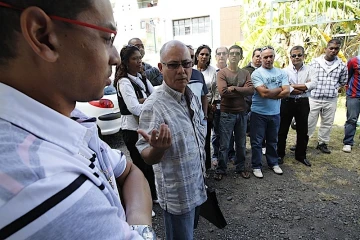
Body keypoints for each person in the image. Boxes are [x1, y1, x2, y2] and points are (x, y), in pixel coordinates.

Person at [0, 1, 155, 239]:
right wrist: (141, 227)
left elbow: (129, 171)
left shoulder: (70, 118)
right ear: (42, 35)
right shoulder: (45, 186)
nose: (115, 58)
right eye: (106, 38)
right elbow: (130, 176)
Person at [136, 40, 207, 240]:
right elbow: (146, 156)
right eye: (173, 65)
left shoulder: (191, 95)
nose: (182, 71)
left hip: (197, 184)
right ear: (161, 68)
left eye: (186, 64)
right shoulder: (154, 106)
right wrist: (158, 149)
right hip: (179, 196)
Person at [114, 45, 158, 207]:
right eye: (134, 59)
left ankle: (153, 196)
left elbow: (156, 98)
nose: (139, 61)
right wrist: (146, 101)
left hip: (145, 128)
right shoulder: (124, 82)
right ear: (125, 62)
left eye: (140, 58)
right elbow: (133, 108)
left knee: (150, 165)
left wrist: (143, 100)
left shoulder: (142, 78)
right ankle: (144, 202)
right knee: (141, 167)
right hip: (132, 130)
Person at [214, 45, 254, 181]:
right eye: (232, 53)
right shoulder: (222, 73)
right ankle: (221, 169)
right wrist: (241, 90)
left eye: (237, 54)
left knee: (241, 143)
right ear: (228, 56)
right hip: (227, 113)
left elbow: (251, 90)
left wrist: (234, 88)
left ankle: (241, 167)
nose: (234, 56)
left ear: (241, 57)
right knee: (224, 144)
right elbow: (223, 92)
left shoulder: (245, 73)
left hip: (242, 113)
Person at [250, 46, 290, 178]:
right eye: (265, 57)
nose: (268, 59)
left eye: (270, 56)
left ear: (274, 57)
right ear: (260, 58)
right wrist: (279, 88)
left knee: (273, 140)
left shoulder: (281, 72)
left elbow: (287, 92)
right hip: (258, 113)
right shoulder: (256, 74)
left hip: (275, 112)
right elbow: (263, 93)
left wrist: (271, 92)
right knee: (257, 141)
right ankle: (256, 166)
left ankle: (273, 163)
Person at [277, 46, 317, 167]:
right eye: (294, 55)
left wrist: (293, 86)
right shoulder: (284, 71)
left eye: (299, 55)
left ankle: (301, 156)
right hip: (287, 102)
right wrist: (301, 87)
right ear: (290, 57)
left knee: (303, 130)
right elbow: (284, 86)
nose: (296, 57)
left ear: (303, 56)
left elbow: (313, 84)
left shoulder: (311, 69)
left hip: (303, 102)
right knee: (282, 130)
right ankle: (279, 155)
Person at [308, 39, 348, 154]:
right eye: (331, 48)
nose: (333, 51)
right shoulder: (315, 62)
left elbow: (343, 81)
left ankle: (323, 143)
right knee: (309, 121)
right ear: (326, 48)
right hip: (314, 97)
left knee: (327, 122)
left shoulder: (341, 65)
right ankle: (303, 142)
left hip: (330, 99)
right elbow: (308, 76)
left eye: (336, 49)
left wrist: (333, 87)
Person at [211, 46, 237, 167]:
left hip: (229, 106)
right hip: (215, 106)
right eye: (219, 53)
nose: (221, 56)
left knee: (229, 132)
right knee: (216, 133)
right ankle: (216, 155)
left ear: (228, 56)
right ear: (216, 56)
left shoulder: (232, 71)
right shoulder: (211, 72)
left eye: (224, 53)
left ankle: (231, 154)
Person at [194, 44, 217, 171]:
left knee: (206, 137)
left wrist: (212, 105)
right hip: (192, 108)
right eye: (202, 54)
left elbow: (215, 90)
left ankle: (207, 166)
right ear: (197, 56)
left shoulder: (213, 71)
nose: (204, 57)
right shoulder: (190, 69)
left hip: (207, 108)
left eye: (207, 55)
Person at [242, 48, 265, 153]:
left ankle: (261, 145)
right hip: (247, 103)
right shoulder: (245, 70)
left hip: (261, 102)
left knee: (260, 126)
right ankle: (243, 147)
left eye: (261, 57)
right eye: (257, 56)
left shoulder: (266, 70)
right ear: (252, 57)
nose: (259, 59)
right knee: (244, 126)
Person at [186, 45, 208, 122]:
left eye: (192, 56)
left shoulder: (199, 75)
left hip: (199, 119)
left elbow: (204, 96)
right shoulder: (176, 75)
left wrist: (205, 114)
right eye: (187, 56)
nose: (190, 59)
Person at [343, 55, 360, 152]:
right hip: (354, 95)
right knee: (352, 119)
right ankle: (348, 143)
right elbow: (347, 76)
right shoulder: (354, 61)